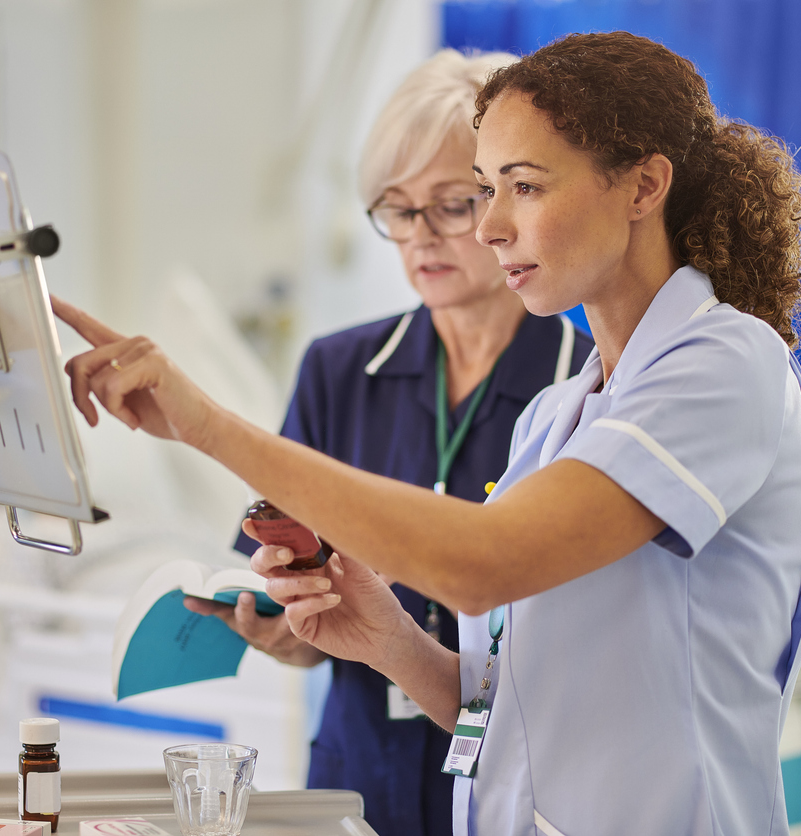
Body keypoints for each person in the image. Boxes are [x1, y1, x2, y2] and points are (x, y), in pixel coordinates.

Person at [54, 31, 801, 836]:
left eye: (521, 188)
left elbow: (482, 564)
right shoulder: (558, 414)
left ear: (642, 185)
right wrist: (389, 641)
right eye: (486, 190)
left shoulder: (726, 359)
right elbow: (501, 709)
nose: (491, 228)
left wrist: (204, 424)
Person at [185, 49, 591, 836]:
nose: (420, 238)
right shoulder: (340, 371)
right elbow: (291, 594)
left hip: (521, 785)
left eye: (450, 204)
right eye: (398, 210)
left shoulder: (584, 386)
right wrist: (283, 630)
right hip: (356, 775)